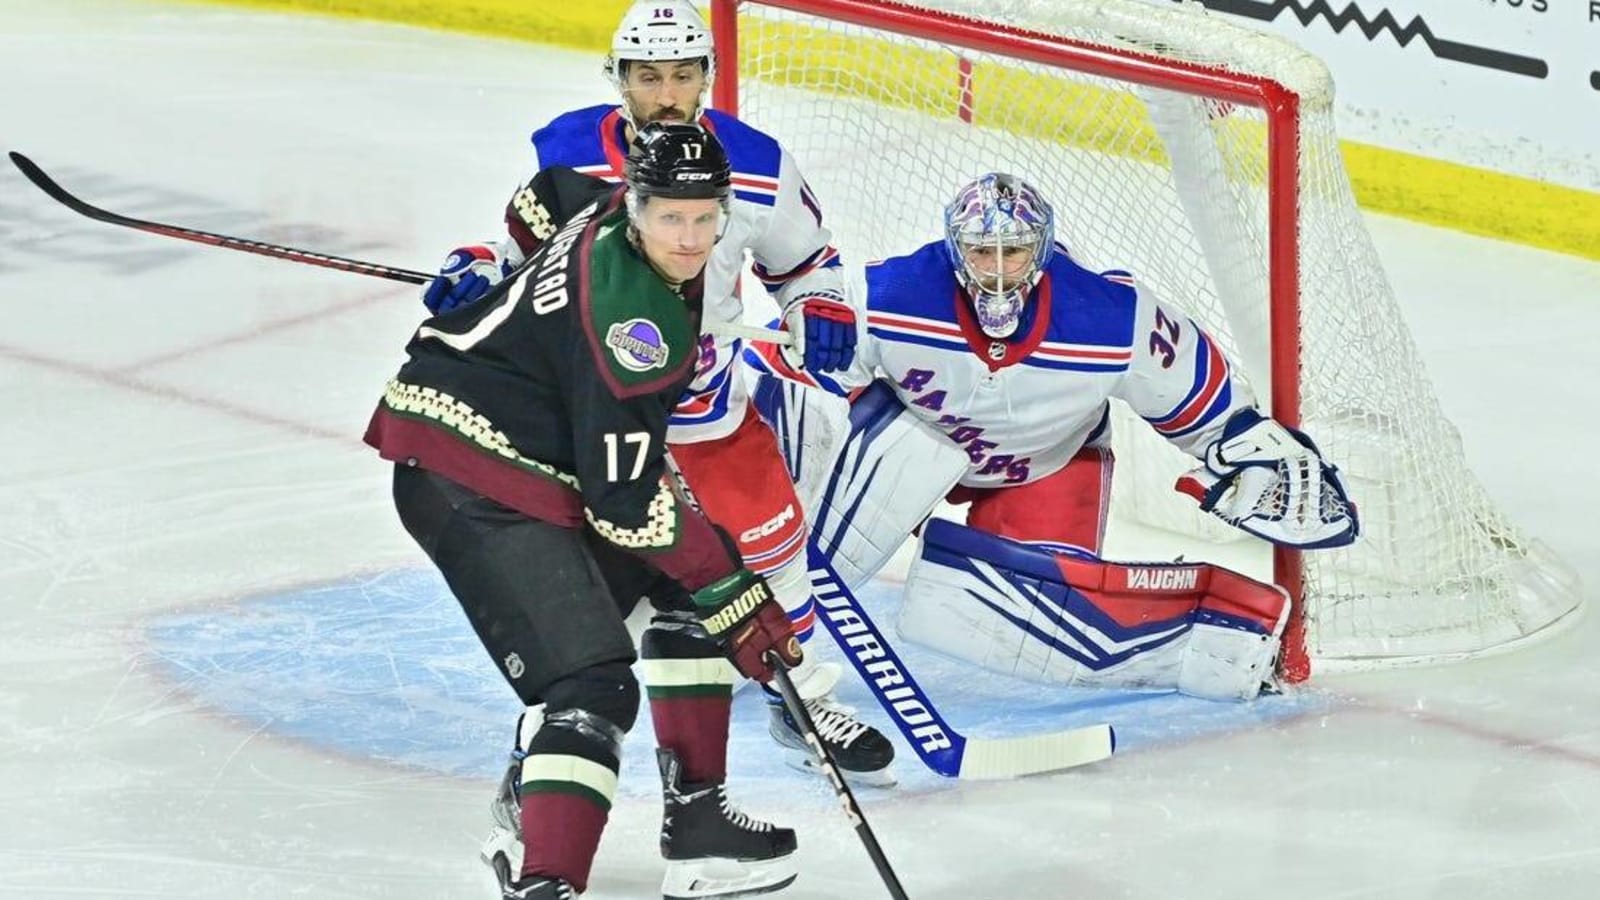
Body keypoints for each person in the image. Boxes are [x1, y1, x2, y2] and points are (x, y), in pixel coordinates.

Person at [421, 0, 893, 785]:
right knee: (594, 589)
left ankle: (800, 699)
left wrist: (822, 305)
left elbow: (809, 263)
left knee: (774, 549)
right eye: (648, 76)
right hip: (593, 410)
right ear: (620, 79)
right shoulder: (569, 150)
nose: (666, 92)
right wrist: (475, 266)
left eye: (682, 74)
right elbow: (522, 250)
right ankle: (551, 739)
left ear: (707, 77)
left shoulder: (760, 164)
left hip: (705, 410)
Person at [366, 123, 804, 900]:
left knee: (686, 594)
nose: (691, 236)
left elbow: (546, 196)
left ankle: (699, 821)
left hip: (523, 449)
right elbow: (624, 506)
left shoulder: (599, 206)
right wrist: (736, 595)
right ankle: (547, 877)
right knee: (592, 685)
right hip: (463, 474)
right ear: (636, 208)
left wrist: (494, 262)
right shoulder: (640, 332)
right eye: (672, 216)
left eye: (705, 216)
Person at [750, 172, 1360, 701]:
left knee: (1000, 618)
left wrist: (1252, 459)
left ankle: (1222, 628)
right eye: (979, 252)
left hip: (1044, 467)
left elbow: (1218, 417)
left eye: (1011, 252)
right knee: (854, 496)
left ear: (1040, 251)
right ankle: (744, 608)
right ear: (953, 248)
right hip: (914, 445)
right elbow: (782, 380)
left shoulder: (1112, 318)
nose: (994, 270)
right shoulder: (887, 296)